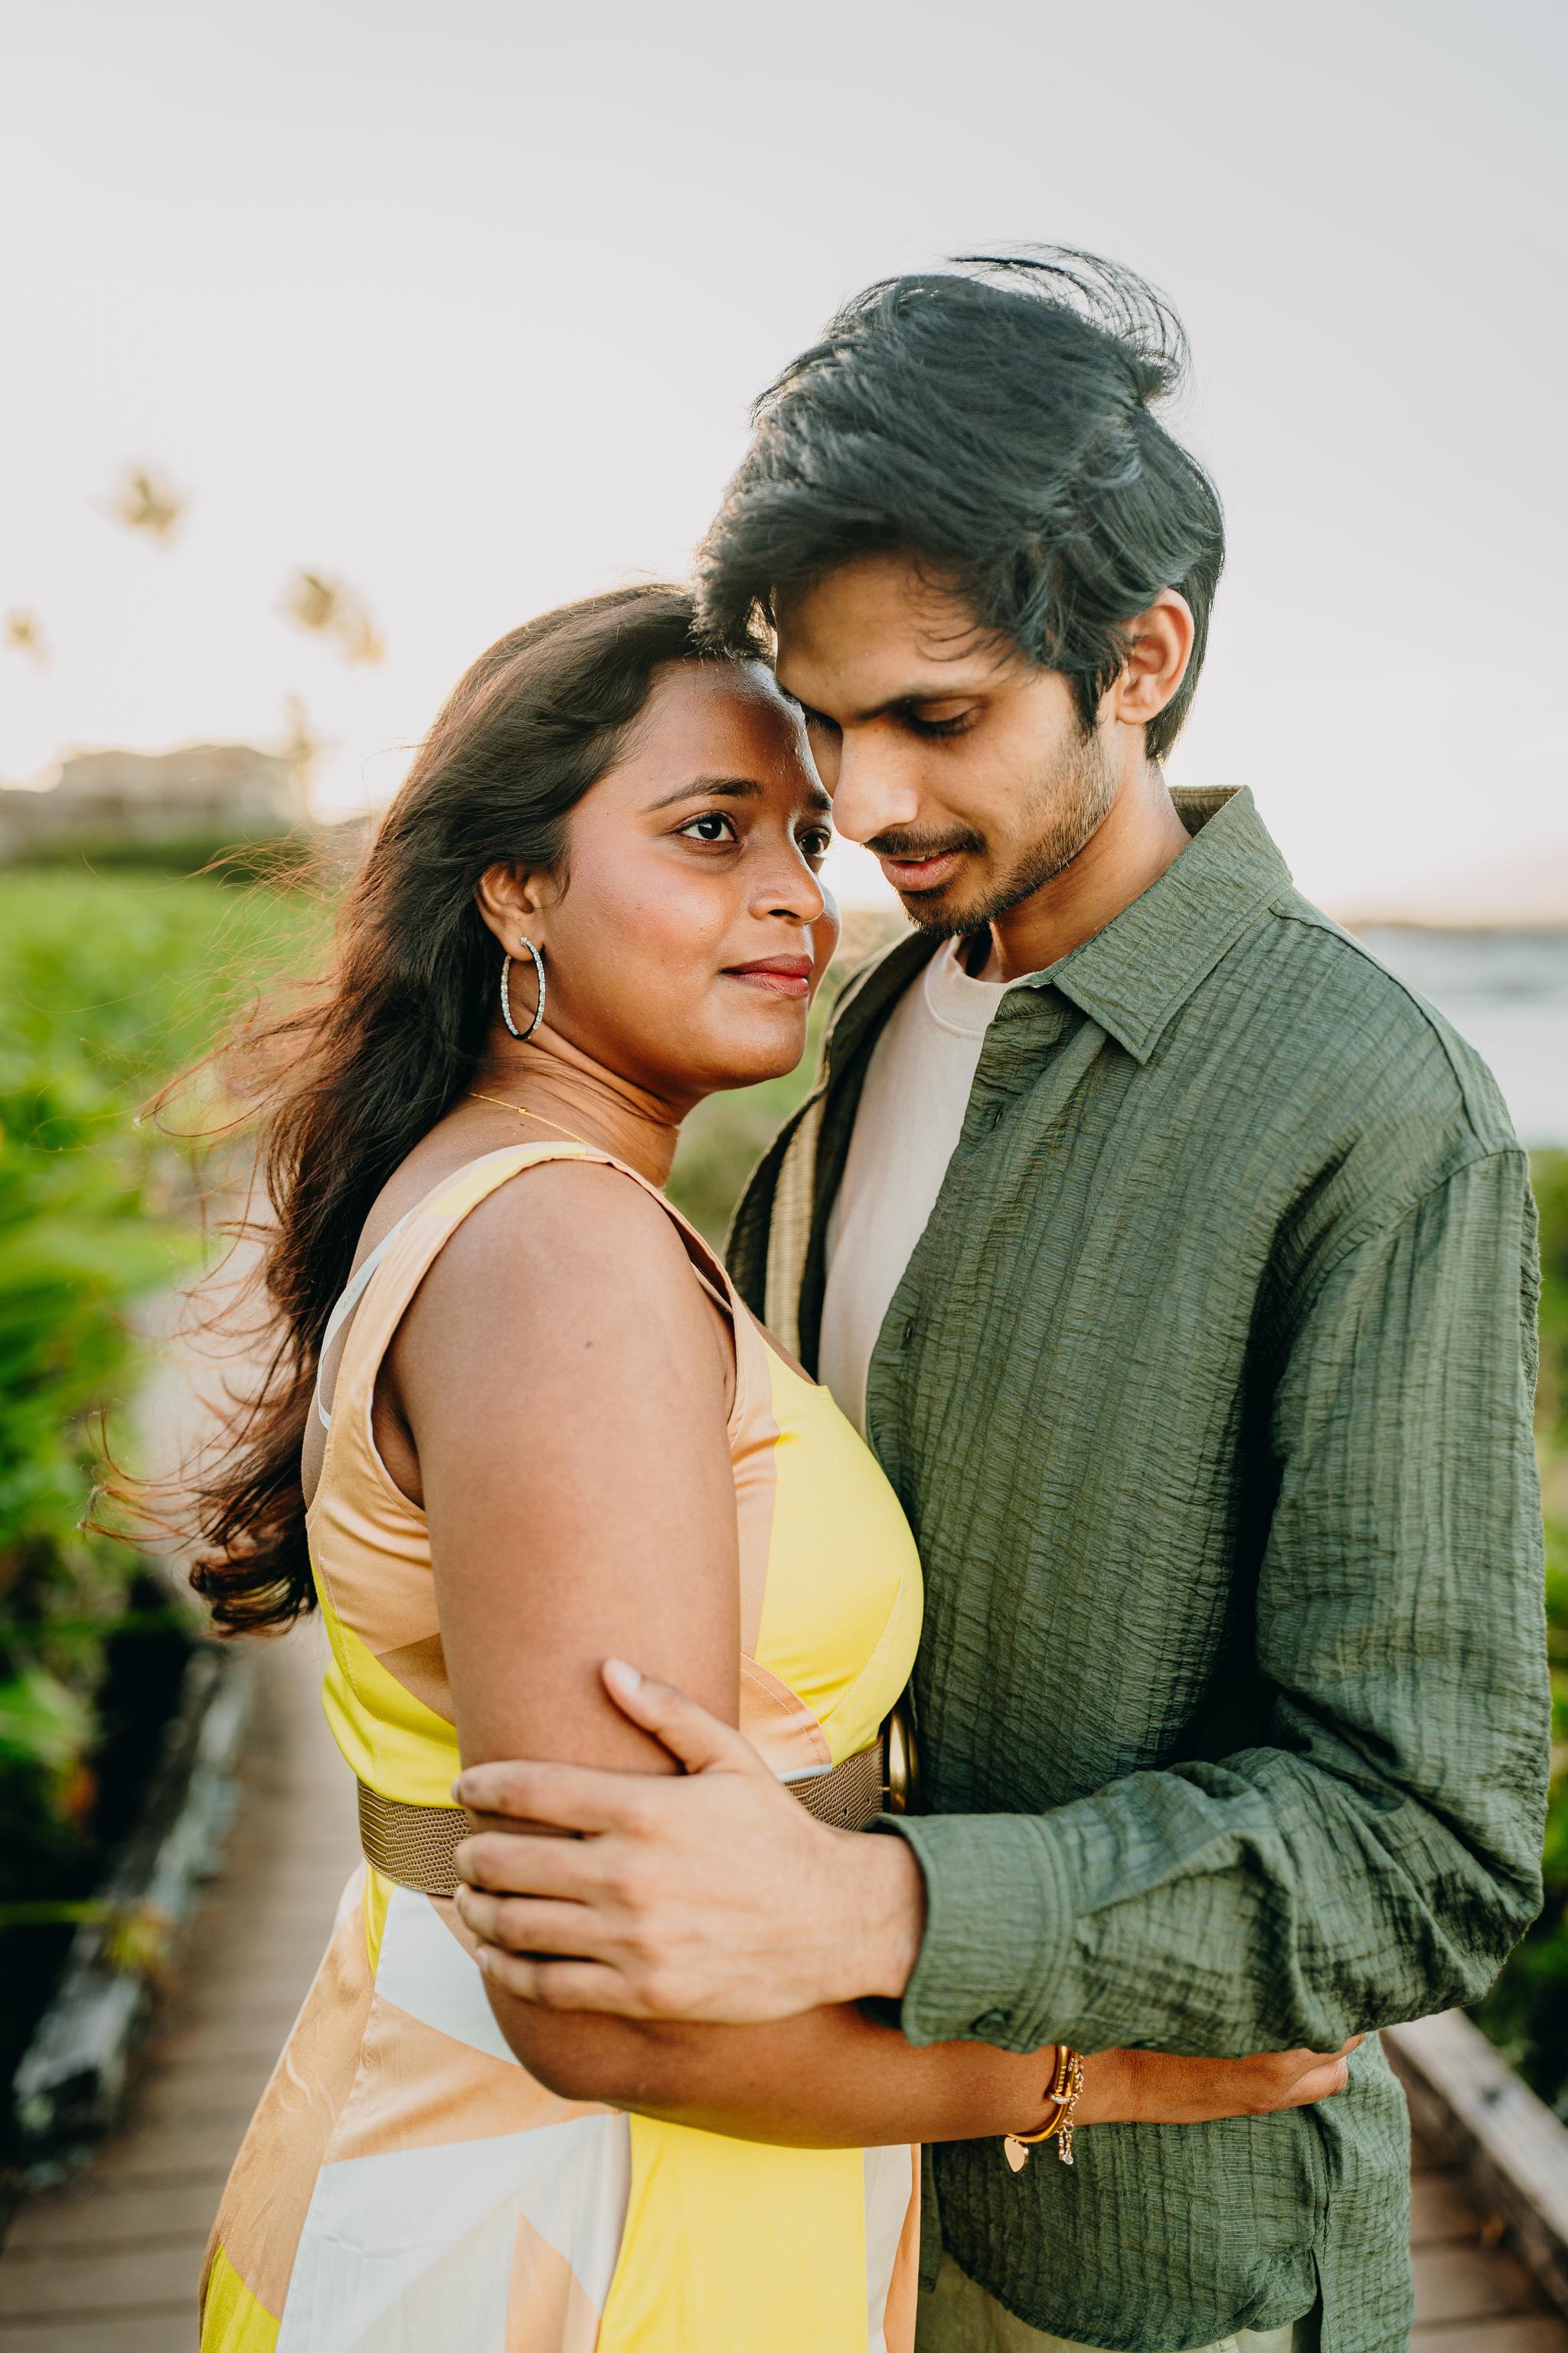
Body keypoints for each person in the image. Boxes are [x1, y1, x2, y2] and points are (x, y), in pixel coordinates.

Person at [449, 258, 1553, 2353]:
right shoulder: (864, 1030)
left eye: (937, 720)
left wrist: (879, 1904)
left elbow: (1428, 1846)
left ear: (1141, 661)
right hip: (809, 2219)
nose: (861, 808)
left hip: (1154, 2282)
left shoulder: (1374, 1111)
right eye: (826, 726)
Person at [188, 584, 1348, 2353]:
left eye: (803, 833)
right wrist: (1107, 2075)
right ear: (516, 885)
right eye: (709, 832)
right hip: (569, 2221)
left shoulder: (518, 1194)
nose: (799, 892)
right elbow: (606, 2006)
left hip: (554, 2163)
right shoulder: (558, 1252)